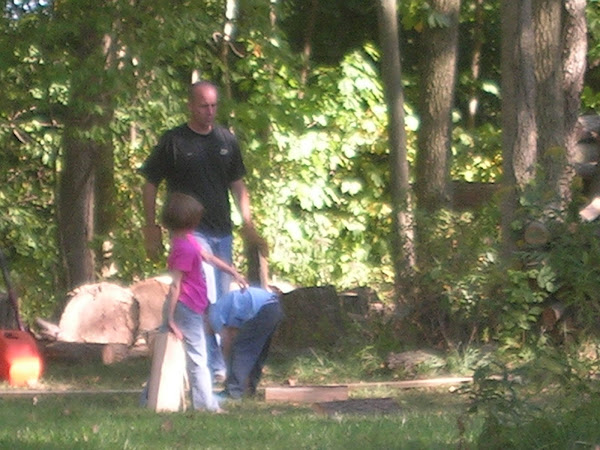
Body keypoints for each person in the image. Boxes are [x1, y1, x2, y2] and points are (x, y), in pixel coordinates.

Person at [140, 80, 267, 382]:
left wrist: (248, 224)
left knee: (220, 303)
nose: (209, 112)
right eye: (203, 106)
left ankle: (217, 364)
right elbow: (149, 182)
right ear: (190, 105)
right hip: (188, 233)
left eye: (214, 106)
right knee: (202, 297)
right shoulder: (174, 141)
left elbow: (238, 184)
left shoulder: (226, 140)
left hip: (222, 231)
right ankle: (211, 368)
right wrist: (150, 226)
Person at [161, 191, 248, 412]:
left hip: (192, 306)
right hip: (185, 308)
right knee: (198, 357)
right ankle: (205, 405)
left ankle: (151, 398)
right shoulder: (184, 249)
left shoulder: (187, 240)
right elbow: (175, 285)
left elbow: (207, 257)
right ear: (192, 220)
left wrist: (231, 270)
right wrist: (171, 318)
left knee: (165, 352)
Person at [208, 286, 284, 400]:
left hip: (263, 308)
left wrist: (228, 365)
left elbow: (228, 342)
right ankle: (249, 389)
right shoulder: (223, 307)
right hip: (275, 306)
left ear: (203, 318)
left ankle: (233, 392)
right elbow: (234, 333)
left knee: (242, 350)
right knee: (257, 352)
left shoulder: (213, 314)